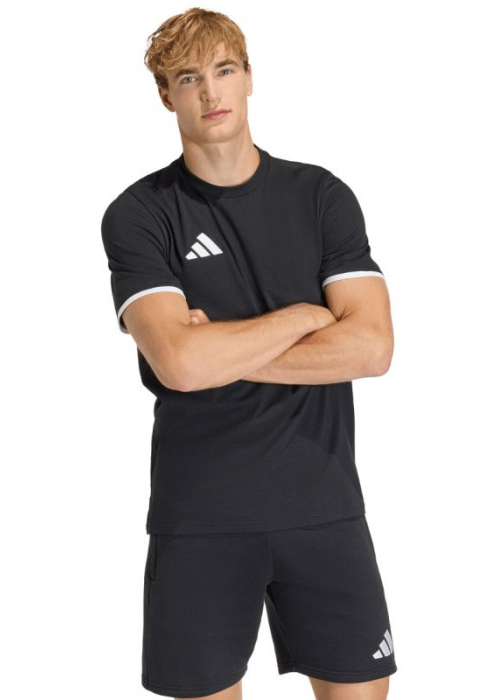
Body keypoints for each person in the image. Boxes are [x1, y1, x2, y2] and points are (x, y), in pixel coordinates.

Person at [100, 8, 396, 700]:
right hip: (201, 518)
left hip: (325, 508)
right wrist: (303, 318)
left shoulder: (320, 197)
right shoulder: (140, 214)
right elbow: (180, 364)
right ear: (165, 95)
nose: (210, 91)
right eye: (187, 78)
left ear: (249, 77)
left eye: (224, 70)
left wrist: (218, 350)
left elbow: (373, 347)